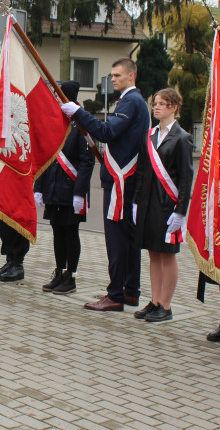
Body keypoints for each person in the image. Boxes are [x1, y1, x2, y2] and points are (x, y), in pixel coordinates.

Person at [60, 58, 150, 311]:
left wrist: (78, 112)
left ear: (132, 76)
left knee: (117, 239)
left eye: (118, 75)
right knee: (128, 239)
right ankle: (130, 291)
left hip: (122, 179)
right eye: (112, 75)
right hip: (126, 178)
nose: (113, 79)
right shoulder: (131, 101)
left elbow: (107, 132)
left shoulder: (131, 101)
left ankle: (116, 295)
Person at [130, 88, 193, 323]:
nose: (156, 107)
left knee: (167, 255)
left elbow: (186, 179)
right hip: (148, 203)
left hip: (168, 206)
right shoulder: (150, 135)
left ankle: (166, 305)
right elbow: (142, 172)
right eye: (155, 103)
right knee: (153, 253)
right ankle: (155, 300)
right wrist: (136, 202)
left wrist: (181, 212)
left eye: (162, 104)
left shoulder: (182, 138)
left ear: (174, 107)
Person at [34, 80, 95, 294]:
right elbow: (45, 156)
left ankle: (71, 276)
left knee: (71, 233)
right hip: (52, 187)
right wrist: (39, 186)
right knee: (57, 232)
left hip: (70, 189)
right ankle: (59, 271)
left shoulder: (81, 123)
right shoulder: (54, 121)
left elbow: (87, 162)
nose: (53, 98)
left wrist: (80, 193)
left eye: (56, 95)